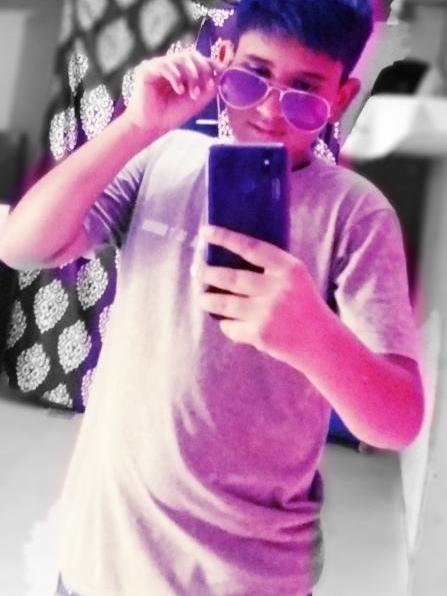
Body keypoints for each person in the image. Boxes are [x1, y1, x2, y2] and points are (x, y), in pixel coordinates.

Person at [0, 1, 424, 594]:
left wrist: (312, 336)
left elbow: (397, 421)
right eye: (253, 77)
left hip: (245, 576)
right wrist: (137, 125)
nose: (271, 111)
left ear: (343, 95)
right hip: (103, 559)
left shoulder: (356, 215)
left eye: (305, 92)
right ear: (221, 60)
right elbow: (21, 245)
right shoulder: (160, 160)